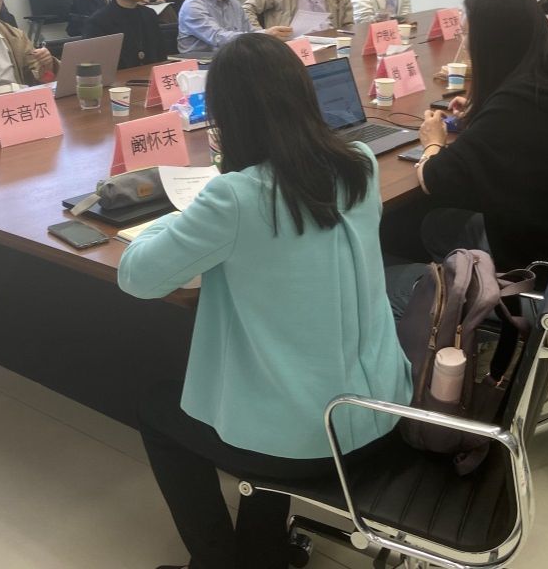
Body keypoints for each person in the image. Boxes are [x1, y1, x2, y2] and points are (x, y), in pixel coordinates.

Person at [118, 33, 411, 569]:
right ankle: (262, 545)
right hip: (383, 411)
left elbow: (138, 276)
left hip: (309, 442)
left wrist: (176, 219)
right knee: (282, 375)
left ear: (227, 117)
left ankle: (216, 561)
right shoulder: (360, 162)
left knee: (156, 411)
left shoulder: (235, 196)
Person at [406, 0, 548, 318]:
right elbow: (516, 135)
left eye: (467, 34)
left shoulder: (514, 107)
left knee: (395, 288)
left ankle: (461, 318)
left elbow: (434, 179)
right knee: (435, 226)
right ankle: (471, 294)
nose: (464, 43)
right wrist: (480, 113)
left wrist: (433, 141)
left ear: (492, 42)